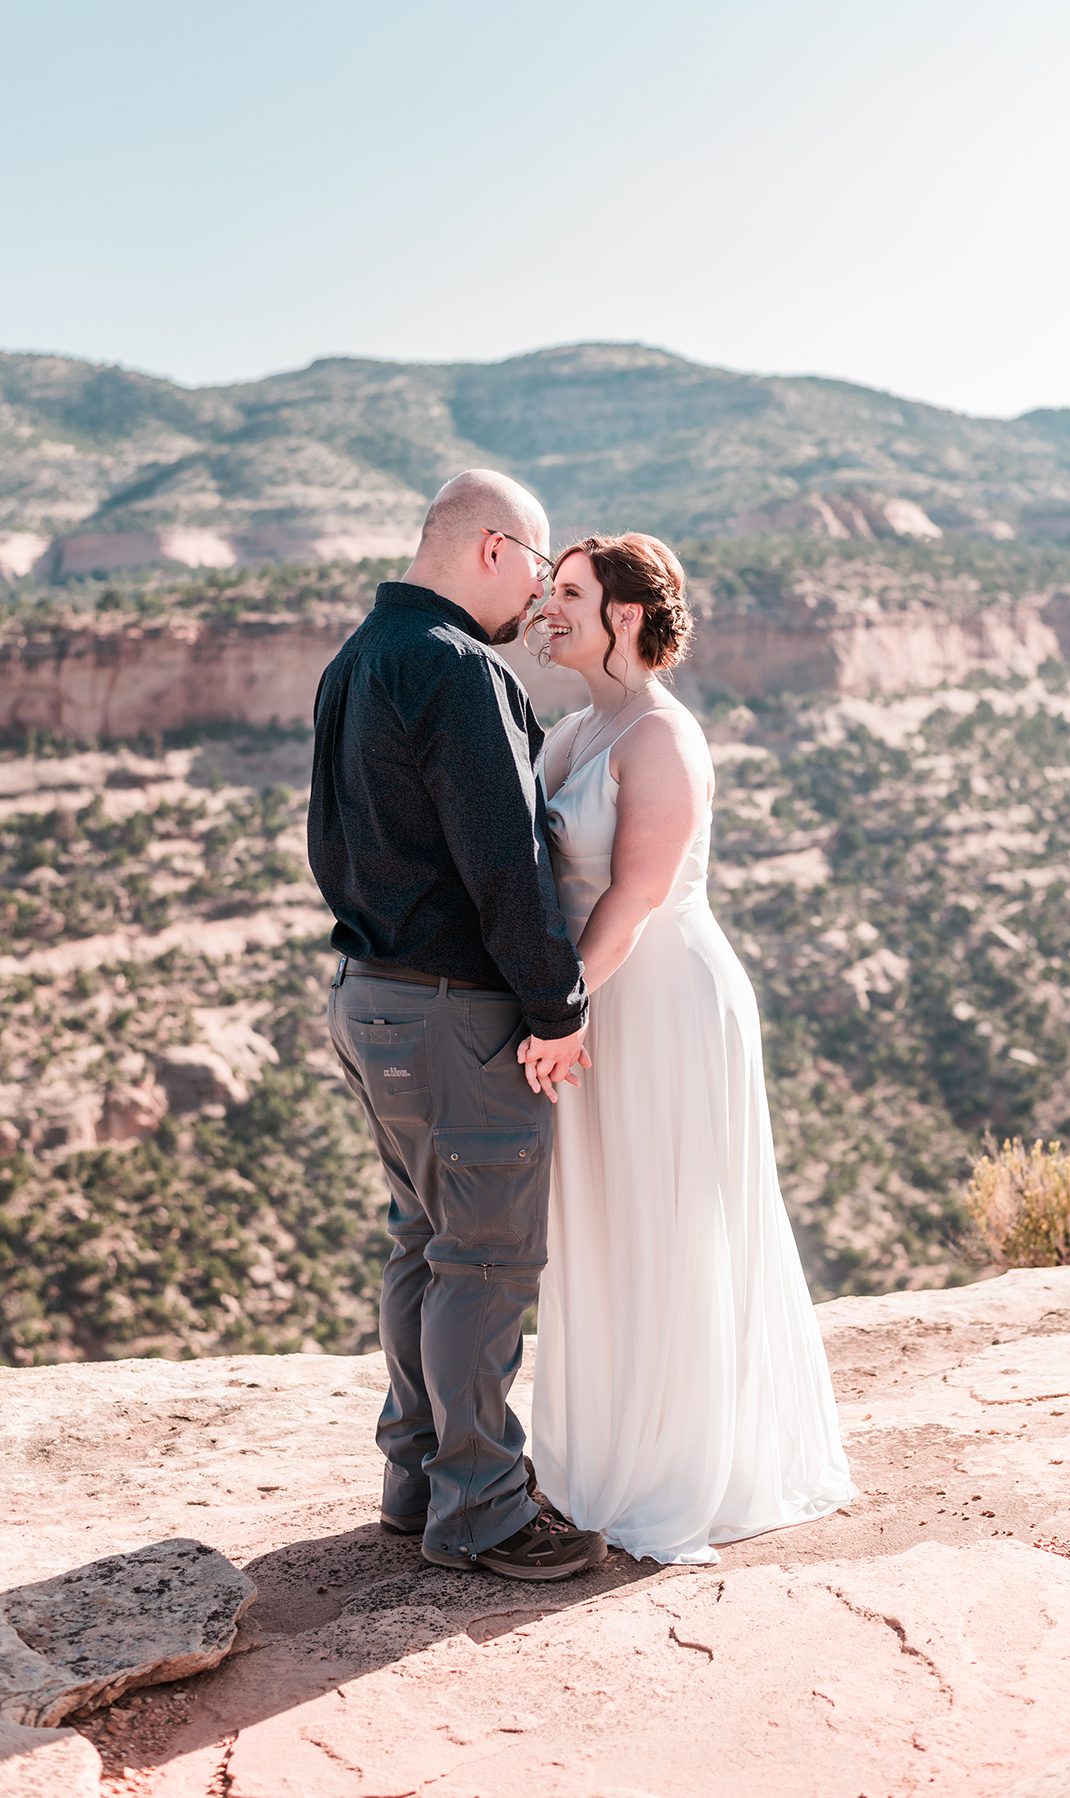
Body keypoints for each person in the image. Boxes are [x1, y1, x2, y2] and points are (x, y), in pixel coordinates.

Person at [527, 533, 858, 1564]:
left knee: (669, 1214)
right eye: (548, 592)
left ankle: (678, 1468)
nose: (549, 609)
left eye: (570, 593)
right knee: (604, 1215)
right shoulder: (572, 731)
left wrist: (562, 1005)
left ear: (626, 613)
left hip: (662, 998)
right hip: (592, 996)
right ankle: (601, 1452)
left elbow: (639, 892)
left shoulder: (662, 736)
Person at [307, 469, 606, 1583]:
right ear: (492, 548)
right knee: (485, 1257)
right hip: (448, 1008)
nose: (536, 598)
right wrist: (556, 1003)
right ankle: (480, 1509)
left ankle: (416, 1476)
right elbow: (506, 864)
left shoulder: (358, 659)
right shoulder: (455, 666)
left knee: (421, 1243)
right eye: (535, 569)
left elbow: (327, 842)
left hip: (370, 993)